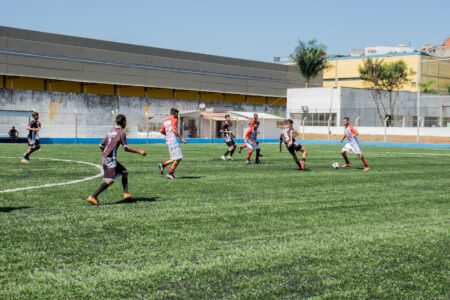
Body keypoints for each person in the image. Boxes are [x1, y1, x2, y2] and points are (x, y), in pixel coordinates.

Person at [87, 114, 147, 205]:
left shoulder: (111, 131)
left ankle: (126, 193)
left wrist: (105, 154)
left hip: (107, 157)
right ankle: (93, 196)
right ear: (124, 122)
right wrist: (139, 151)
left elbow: (101, 145)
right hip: (110, 159)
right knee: (109, 180)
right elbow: (126, 148)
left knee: (124, 172)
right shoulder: (121, 133)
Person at [158, 108, 187, 179]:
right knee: (179, 157)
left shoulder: (166, 121)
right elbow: (174, 130)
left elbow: (161, 131)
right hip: (173, 141)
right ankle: (169, 172)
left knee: (175, 157)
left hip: (168, 141)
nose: (178, 116)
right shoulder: (174, 120)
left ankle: (164, 166)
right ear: (176, 114)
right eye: (178, 114)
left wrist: (167, 135)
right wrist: (181, 138)